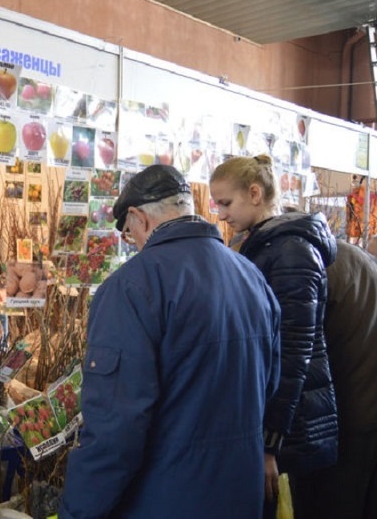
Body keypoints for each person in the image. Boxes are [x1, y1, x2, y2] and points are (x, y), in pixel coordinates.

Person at [59, 165, 281, 518]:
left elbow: (115, 431)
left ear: (138, 217)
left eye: (129, 234)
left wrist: (76, 511)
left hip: (165, 499)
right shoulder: (251, 276)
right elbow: (270, 387)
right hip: (241, 495)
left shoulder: (132, 287)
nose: (133, 243)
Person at [210, 154, 338, 518]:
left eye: (226, 203)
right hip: (275, 421)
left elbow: (294, 353)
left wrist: (270, 443)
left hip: (291, 430)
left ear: (254, 193)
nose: (221, 214)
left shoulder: (292, 251)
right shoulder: (261, 245)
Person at [287, 239, 377, 519]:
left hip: (339, 417)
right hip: (363, 410)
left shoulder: (312, 267)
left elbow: (300, 353)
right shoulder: (356, 259)